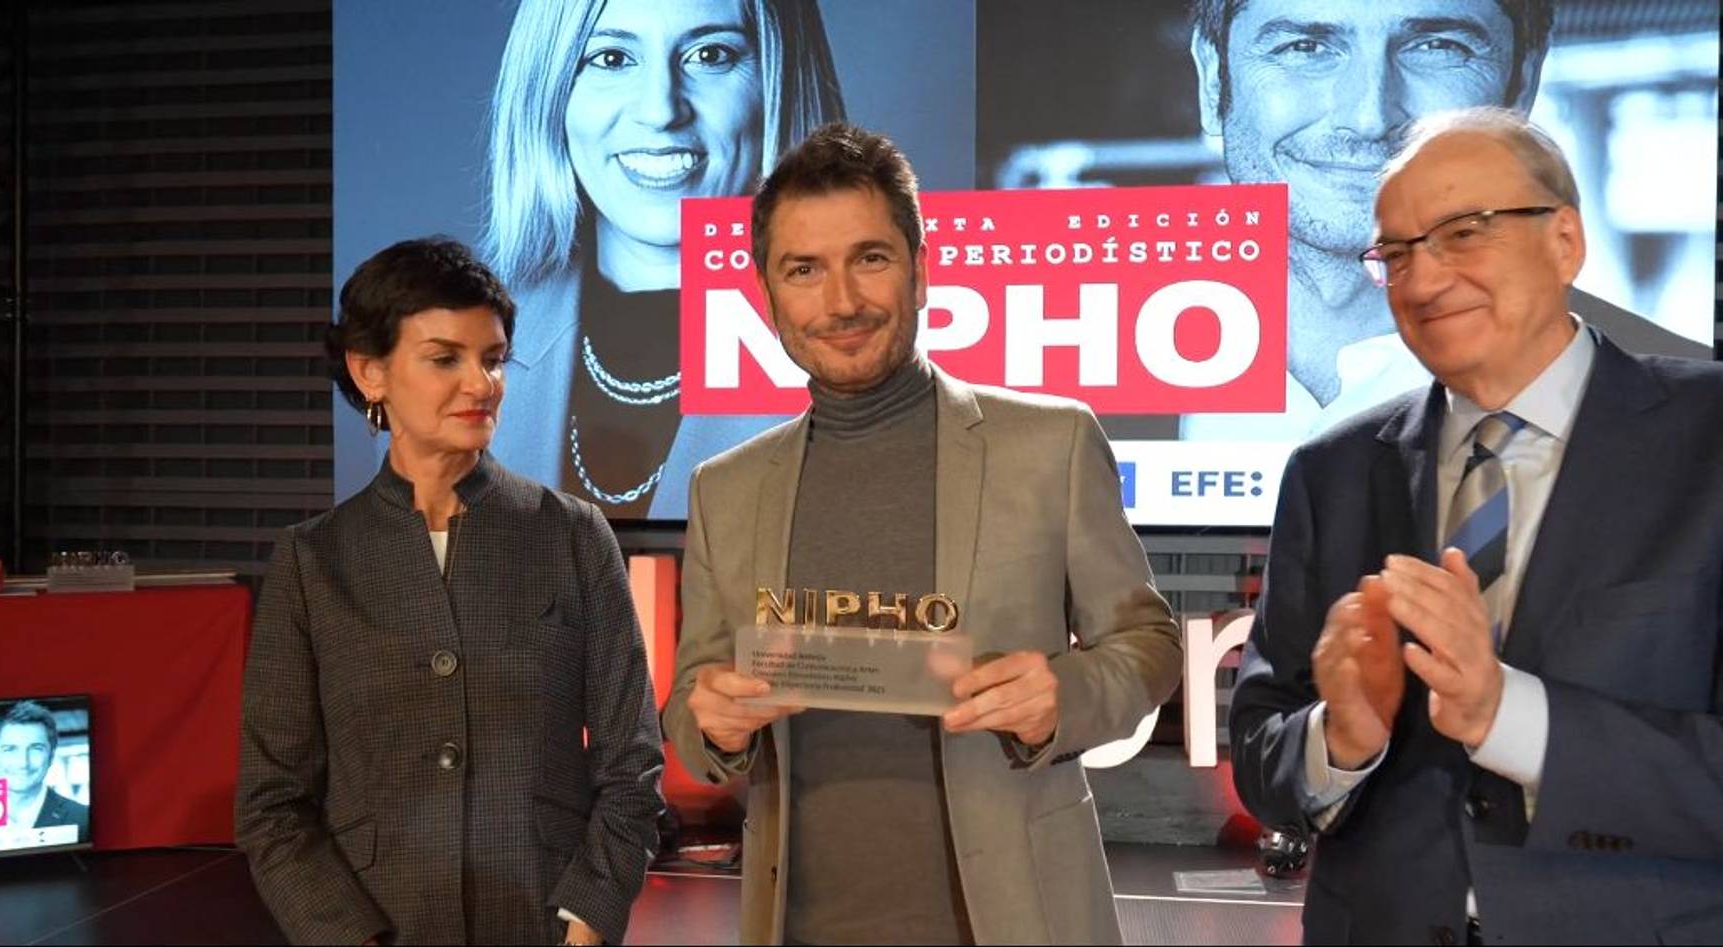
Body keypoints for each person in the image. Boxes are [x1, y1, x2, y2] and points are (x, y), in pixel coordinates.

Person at [663, 123, 1184, 946]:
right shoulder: (724, 487)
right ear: (766, 293)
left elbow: (1148, 644)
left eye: (870, 258)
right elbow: (694, 704)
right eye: (804, 269)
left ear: (921, 268)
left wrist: (1064, 694)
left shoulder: (1050, 443)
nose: (841, 301)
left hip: (1017, 922)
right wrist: (714, 726)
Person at [1229, 107, 1723, 944]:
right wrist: (1338, 737)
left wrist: (1508, 713)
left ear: (1564, 241)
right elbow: (1262, 752)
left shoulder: (1707, 436)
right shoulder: (1332, 470)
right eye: (1395, 253)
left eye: (1464, 232)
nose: (1422, 281)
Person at [235, 238, 664, 946]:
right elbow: (272, 803)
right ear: (370, 371)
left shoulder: (573, 534)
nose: (481, 383)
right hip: (382, 924)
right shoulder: (314, 560)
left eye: (493, 359)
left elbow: (632, 764)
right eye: (445, 359)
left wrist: (587, 922)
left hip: (544, 923)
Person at [1182, 0, 1709, 442]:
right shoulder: (1122, 365)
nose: (1368, 118)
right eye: (1304, 47)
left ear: (1522, 83)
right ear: (1212, 78)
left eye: (1437, 47)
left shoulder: (1698, 416)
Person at [481, 0, 845, 518]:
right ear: (548, 90)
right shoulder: (452, 358)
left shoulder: (888, 349)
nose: (659, 110)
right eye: (611, 58)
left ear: (779, 84)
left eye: (711, 55)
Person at [0, 700, 88, 840]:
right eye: (10, 749)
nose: (23, 763)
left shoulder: (83, 819)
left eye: (36, 749)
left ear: (51, 757)